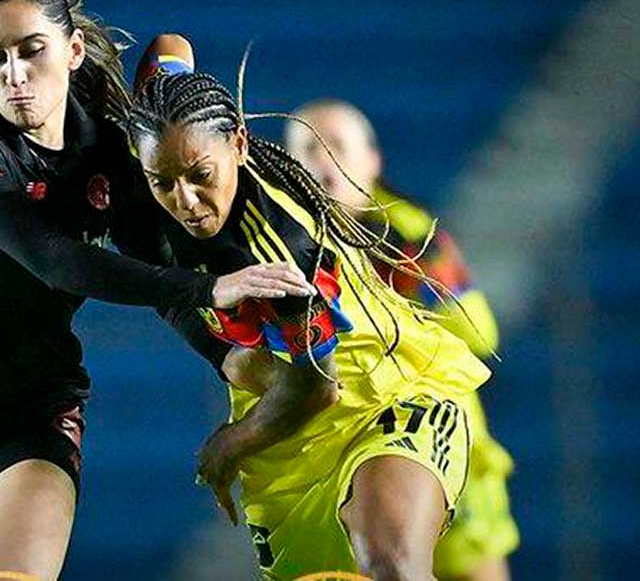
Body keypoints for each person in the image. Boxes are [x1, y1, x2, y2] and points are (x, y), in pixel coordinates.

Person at [0, 0, 311, 581]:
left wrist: (225, 357)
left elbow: (158, 274)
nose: (15, 73)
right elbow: (52, 259)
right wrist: (214, 286)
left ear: (71, 52)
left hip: (33, 412)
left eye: (32, 50)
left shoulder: (106, 153)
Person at [124, 42, 490, 581]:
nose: (185, 200)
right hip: (288, 452)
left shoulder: (282, 252)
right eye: (164, 182)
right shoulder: (158, 133)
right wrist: (159, 85)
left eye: (201, 175)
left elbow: (317, 386)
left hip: (381, 398)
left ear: (239, 146)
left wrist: (228, 445)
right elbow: (169, 47)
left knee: (393, 563)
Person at [285, 100, 519, 581]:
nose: (324, 161)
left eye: (337, 146)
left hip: (440, 435)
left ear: (372, 161)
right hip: (347, 448)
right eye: (308, 148)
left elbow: (480, 332)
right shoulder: (286, 246)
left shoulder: (410, 238)